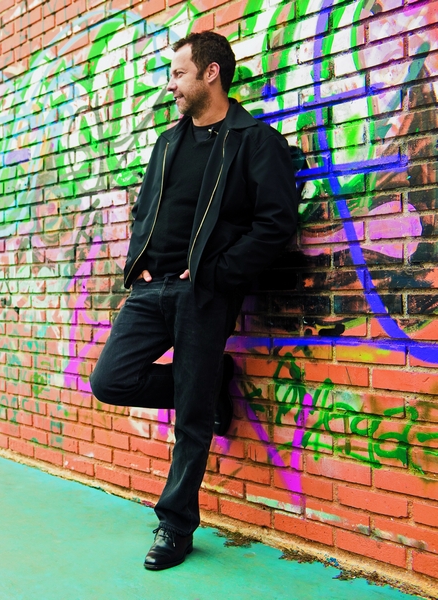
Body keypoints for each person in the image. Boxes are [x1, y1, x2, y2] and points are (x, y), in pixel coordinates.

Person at [89, 31, 297, 569]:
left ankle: (176, 525)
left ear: (211, 73)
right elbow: (145, 209)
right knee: (110, 380)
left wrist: (217, 272)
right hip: (150, 288)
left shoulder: (254, 141)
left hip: (203, 292)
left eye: (179, 74)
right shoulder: (167, 143)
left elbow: (275, 224)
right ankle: (210, 382)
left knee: (192, 417)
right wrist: (137, 263)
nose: (171, 85)